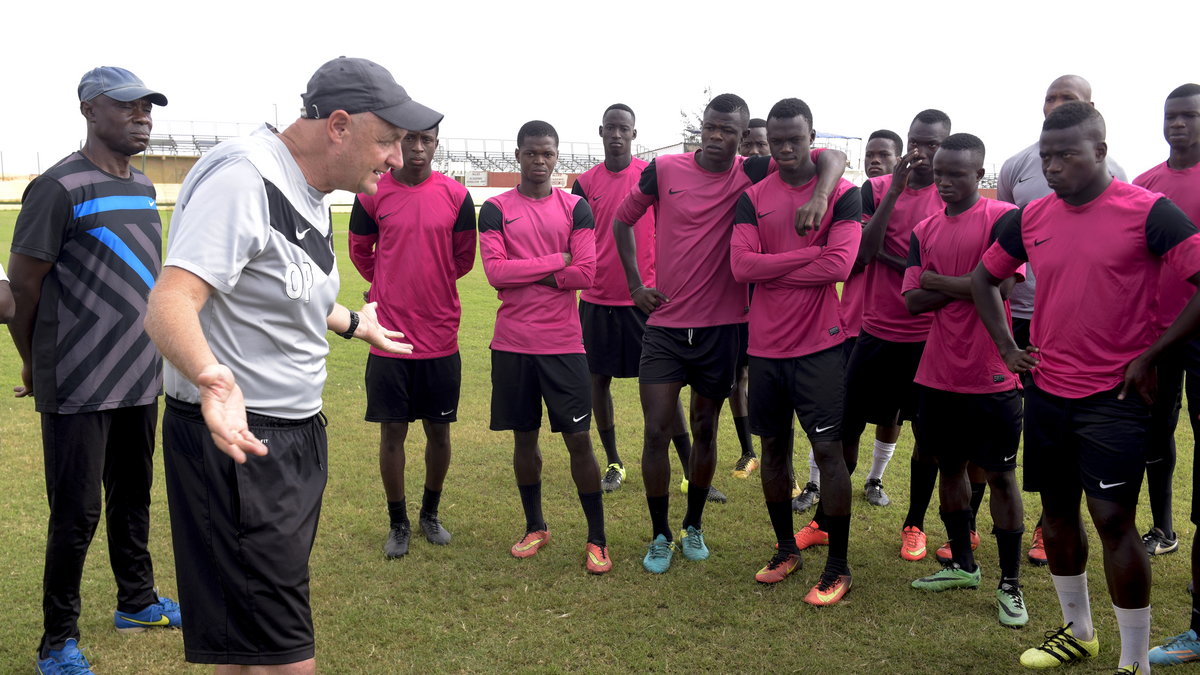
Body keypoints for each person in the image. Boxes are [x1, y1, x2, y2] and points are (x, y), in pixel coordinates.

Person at [145, 57, 434, 671]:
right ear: (337, 126)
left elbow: (281, 286)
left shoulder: (311, 189)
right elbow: (170, 301)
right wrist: (211, 377)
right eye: (386, 140)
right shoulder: (245, 180)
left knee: (245, 635)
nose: (394, 157)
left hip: (291, 436)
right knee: (281, 648)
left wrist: (356, 324)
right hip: (241, 443)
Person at [972, 101, 1200, 673]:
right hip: (1048, 392)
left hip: (1114, 399)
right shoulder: (1031, 218)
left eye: (1066, 154)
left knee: (1113, 520)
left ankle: (1133, 661)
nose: (1052, 166)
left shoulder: (1150, 211)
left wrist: (1153, 354)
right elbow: (983, 278)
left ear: (1099, 151)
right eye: (1046, 155)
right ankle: (1078, 633)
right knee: (1056, 516)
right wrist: (1007, 348)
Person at [613, 92, 846, 574]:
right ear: (702, 126)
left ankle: (693, 525)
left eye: (729, 131)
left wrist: (822, 194)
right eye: (710, 128)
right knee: (656, 430)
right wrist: (636, 284)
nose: (717, 138)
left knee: (704, 428)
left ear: (744, 137)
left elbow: (833, 158)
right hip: (666, 326)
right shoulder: (664, 169)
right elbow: (621, 220)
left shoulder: (753, 172)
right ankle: (659, 535)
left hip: (724, 328)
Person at [9, 66, 179, 675]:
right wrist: (37, 365)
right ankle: (57, 640)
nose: (143, 117)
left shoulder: (138, 186)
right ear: (89, 110)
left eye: (148, 108)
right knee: (75, 514)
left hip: (139, 376)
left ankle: (135, 601)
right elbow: (22, 292)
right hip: (78, 381)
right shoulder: (57, 188)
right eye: (129, 107)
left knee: (133, 497)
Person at [730, 97, 861, 605]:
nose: (785, 149)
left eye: (795, 139)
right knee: (773, 452)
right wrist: (810, 253)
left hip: (819, 348)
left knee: (828, 454)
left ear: (812, 138)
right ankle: (786, 549)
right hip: (765, 349)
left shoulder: (842, 194)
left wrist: (777, 263)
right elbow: (741, 266)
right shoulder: (753, 194)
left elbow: (840, 266)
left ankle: (839, 566)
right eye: (777, 140)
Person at [996, 74, 1129, 566]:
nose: (1055, 105)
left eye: (1066, 99)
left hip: (1091, 335)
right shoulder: (1016, 165)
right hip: (1026, 317)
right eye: (1049, 97)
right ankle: (1042, 516)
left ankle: (1044, 527)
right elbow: (1005, 235)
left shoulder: (1117, 175)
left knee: (1087, 441)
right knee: (1026, 423)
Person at [902, 133, 1027, 628]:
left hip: (992, 373)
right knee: (948, 468)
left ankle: (1011, 584)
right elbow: (911, 301)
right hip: (937, 374)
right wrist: (971, 285)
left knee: (1000, 476)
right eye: (940, 173)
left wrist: (937, 281)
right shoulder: (925, 228)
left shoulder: (1003, 220)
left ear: (981, 174)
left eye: (958, 173)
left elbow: (1006, 284)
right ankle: (963, 565)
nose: (947, 182)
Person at [477, 120, 610, 574]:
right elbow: (495, 273)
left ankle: (598, 538)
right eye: (531, 153)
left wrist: (527, 270)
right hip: (513, 344)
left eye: (547, 154)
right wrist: (557, 262)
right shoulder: (495, 208)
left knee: (578, 440)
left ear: (557, 157)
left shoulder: (576, 208)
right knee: (524, 438)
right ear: (518, 154)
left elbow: (587, 273)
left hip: (563, 344)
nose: (539, 161)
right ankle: (536, 525)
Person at [348, 122, 475, 558]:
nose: (418, 148)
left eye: (427, 139)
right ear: (397, 142)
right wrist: (389, 284)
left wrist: (428, 285)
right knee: (392, 432)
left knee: (440, 432)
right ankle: (398, 522)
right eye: (410, 139)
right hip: (388, 336)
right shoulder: (372, 194)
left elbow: (462, 259)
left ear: (437, 142)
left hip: (440, 335)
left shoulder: (457, 196)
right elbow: (359, 251)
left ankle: (430, 515)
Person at [836, 110, 950, 562]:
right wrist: (895, 194)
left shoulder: (951, 196)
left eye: (933, 145)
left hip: (929, 339)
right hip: (876, 330)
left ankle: (915, 524)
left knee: (928, 439)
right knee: (847, 427)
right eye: (916, 143)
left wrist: (902, 266)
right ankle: (828, 519)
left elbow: (943, 275)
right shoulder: (877, 189)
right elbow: (861, 255)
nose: (922, 153)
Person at [573, 104, 695, 495]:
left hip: (646, 300)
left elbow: (671, 227)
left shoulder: (650, 176)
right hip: (597, 298)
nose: (616, 134)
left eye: (623, 128)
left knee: (666, 384)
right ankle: (613, 461)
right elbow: (575, 237)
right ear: (601, 131)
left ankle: (692, 468)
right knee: (597, 381)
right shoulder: (585, 182)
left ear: (634, 134)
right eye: (610, 128)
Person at [796, 128, 905, 514]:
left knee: (890, 415)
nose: (875, 160)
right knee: (834, 414)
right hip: (850, 325)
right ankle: (813, 483)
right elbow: (856, 254)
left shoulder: (912, 198)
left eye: (884, 155)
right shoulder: (857, 198)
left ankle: (875, 478)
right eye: (870, 154)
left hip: (896, 329)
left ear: (899, 159)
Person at [1138, 82, 1200, 668]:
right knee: (1154, 434)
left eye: (1189, 116)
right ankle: (1161, 528)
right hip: (1153, 335)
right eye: (1171, 116)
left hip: (1198, 330)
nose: (1177, 124)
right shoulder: (1148, 185)